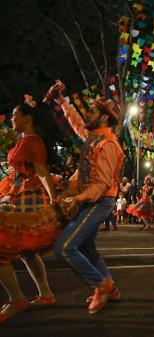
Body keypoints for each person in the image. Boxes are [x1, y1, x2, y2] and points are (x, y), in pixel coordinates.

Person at [46, 80, 124, 314]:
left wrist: (77, 198)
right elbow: (77, 123)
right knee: (88, 251)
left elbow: (102, 185)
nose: (86, 115)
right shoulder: (94, 137)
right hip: (90, 200)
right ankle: (111, 288)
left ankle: (101, 284)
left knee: (65, 248)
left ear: (103, 118)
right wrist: (62, 100)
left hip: (99, 201)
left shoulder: (108, 144)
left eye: (91, 112)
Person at [0, 96, 62, 322]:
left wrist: (53, 198)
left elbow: (41, 170)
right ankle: (45, 294)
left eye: (15, 116)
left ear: (27, 119)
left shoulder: (32, 141)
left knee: (3, 246)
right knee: (26, 251)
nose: (11, 119)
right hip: (17, 192)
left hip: (24, 196)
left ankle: (17, 299)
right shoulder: (25, 139)